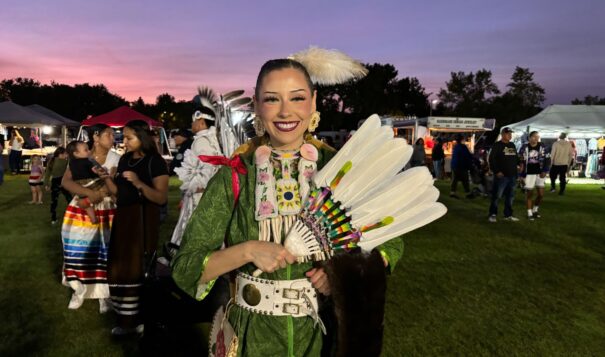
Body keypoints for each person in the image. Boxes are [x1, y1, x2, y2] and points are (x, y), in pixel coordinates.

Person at [172, 58, 404, 355]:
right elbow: (186, 267)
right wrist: (246, 251)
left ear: (313, 102)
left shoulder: (340, 168)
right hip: (252, 337)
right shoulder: (236, 174)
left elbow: (390, 241)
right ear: (256, 105)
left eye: (297, 97)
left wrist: (341, 273)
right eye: (272, 99)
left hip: (322, 335)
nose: (285, 111)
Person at [102, 120, 169, 336]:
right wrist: (105, 179)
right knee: (120, 266)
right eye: (124, 137)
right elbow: (119, 194)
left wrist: (140, 183)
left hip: (143, 220)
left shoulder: (155, 162)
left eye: (129, 137)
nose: (125, 142)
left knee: (139, 267)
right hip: (124, 219)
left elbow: (160, 197)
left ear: (142, 137)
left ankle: (141, 319)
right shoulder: (124, 160)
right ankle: (124, 319)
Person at [61, 124, 121, 312]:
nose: (113, 138)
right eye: (108, 134)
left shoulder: (117, 158)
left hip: (107, 207)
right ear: (95, 137)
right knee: (78, 249)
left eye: (113, 134)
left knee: (105, 252)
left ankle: (104, 294)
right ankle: (79, 290)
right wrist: (88, 193)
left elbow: (116, 188)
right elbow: (66, 181)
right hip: (82, 206)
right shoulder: (80, 158)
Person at [168, 108, 222, 253]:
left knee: (194, 227)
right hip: (209, 192)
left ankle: (191, 260)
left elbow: (207, 168)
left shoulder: (202, 141)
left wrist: (195, 187)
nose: (191, 124)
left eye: (193, 121)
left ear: (201, 122)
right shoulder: (213, 139)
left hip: (200, 194)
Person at [65, 140, 107, 223]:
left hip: (79, 185)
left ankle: (93, 218)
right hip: (90, 181)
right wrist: (100, 171)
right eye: (86, 150)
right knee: (107, 187)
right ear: (76, 153)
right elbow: (95, 170)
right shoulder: (87, 161)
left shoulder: (71, 163)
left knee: (86, 204)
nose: (89, 151)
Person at [488, 127, 520, 223]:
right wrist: (497, 171)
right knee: (497, 196)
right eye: (507, 133)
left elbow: (516, 158)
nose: (510, 135)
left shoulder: (512, 145)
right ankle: (492, 214)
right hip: (501, 176)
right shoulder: (497, 145)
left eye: (510, 133)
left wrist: (519, 164)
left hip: (512, 175)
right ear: (502, 134)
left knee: (510, 196)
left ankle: (508, 214)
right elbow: (491, 159)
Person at [518, 131, 549, 221]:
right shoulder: (524, 147)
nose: (536, 138)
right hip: (529, 173)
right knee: (529, 194)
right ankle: (529, 213)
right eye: (534, 137)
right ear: (530, 138)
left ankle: (535, 209)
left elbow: (547, 159)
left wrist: (545, 171)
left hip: (539, 173)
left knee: (541, 194)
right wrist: (521, 175)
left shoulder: (542, 146)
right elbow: (521, 162)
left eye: (538, 137)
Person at [44, 147, 72, 224]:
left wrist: (46, 184)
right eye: (65, 153)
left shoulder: (51, 161)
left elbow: (47, 174)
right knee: (69, 198)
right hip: (63, 181)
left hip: (54, 182)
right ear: (61, 154)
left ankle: (53, 218)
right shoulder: (65, 162)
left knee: (54, 200)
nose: (67, 155)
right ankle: (72, 214)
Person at [450, 135, 474, 199]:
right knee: (465, 180)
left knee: (454, 179)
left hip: (455, 165)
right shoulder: (463, 147)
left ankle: (452, 192)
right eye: (464, 139)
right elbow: (467, 156)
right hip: (462, 166)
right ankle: (468, 193)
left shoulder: (456, 147)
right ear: (462, 140)